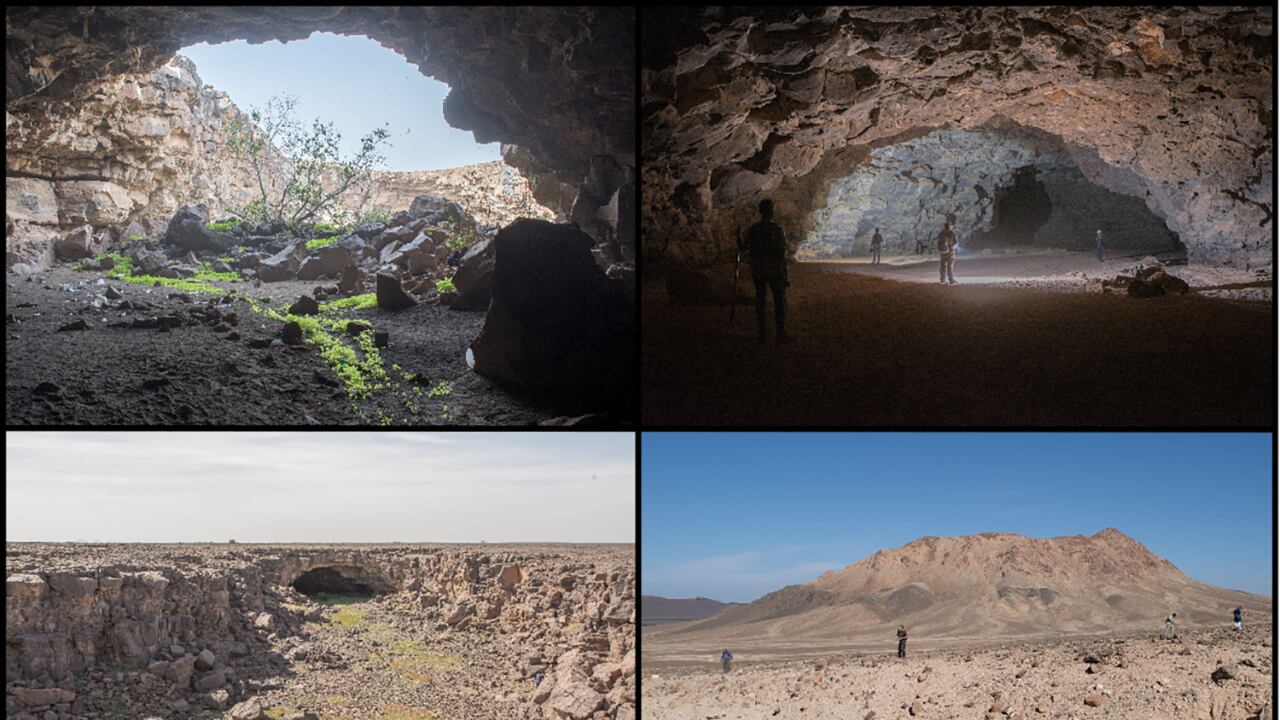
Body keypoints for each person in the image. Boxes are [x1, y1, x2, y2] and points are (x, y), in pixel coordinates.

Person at [740, 198, 791, 345]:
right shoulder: (777, 229)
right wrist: (785, 274)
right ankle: (780, 333)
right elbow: (782, 254)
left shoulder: (754, 229)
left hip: (759, 270)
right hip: (775, 270)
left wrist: (738, 238)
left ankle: (762, 334)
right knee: (779, 302)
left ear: (760, 211)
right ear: (772, 211)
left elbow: (743, 249)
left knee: (760, 302)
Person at [937, 219, 959, 285]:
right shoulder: (952, 233)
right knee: (950, 266)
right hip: (950, 252)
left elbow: (938, 242)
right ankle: (951, 280)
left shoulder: (941, 233)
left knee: (943, 265)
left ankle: (942, 279)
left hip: (943, 252)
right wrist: (952, 247)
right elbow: (956, 242)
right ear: (950, 226)